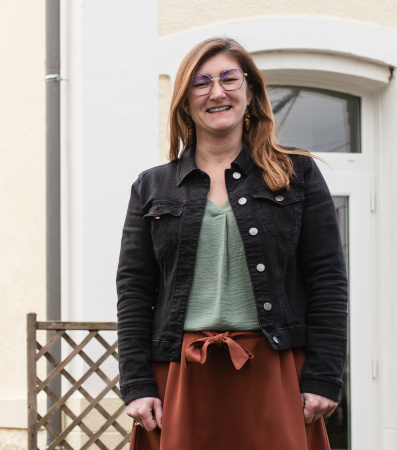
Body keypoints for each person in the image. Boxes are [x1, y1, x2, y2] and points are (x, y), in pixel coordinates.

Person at [116, 37, 348, 449]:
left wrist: (324, 376)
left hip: (273, 371)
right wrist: (136, 383)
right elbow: (134, 289)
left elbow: (327, 281)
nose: (216, 92)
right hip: (181, 374)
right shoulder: (151, 186)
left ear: (251, 92)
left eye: (228, 78)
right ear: (185, 102)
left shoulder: (298, 175)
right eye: (200, 83)